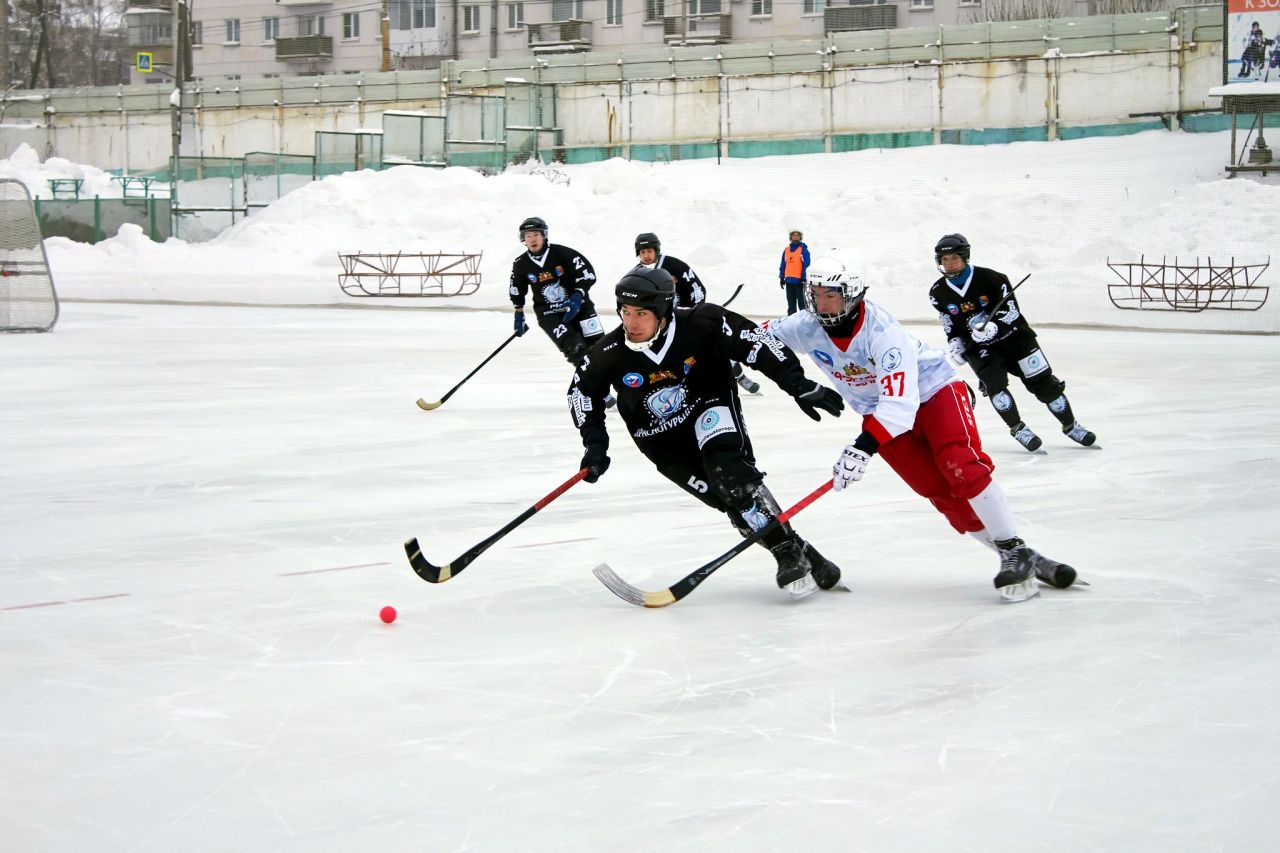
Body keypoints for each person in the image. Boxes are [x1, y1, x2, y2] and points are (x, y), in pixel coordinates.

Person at [763, 251, 1079, 602]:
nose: (822, 304)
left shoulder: (882, 332)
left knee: (959, 464)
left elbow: (898, 406)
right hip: (877, 411)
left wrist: (861, 449)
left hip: (933, 391)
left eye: (831, 295)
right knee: (936, 489)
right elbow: (757, 339)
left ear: (852, 294)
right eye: (816, 294)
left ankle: (1012, 548)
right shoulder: (806, 325)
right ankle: (1018, 554)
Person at [569, 265, 846, 598]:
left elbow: (757, 343)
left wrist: (795, 382)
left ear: (663, 312)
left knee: (730, 476)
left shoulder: (703, 323)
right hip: (660, 441)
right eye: (625, 312)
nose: (631, 323)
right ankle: (803, 550)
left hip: (709, 408)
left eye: (641, 313)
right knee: (730, 502)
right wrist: (595, 444)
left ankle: (784, 551)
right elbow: (581, 393)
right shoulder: (608, 352)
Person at [928, 233, 1096, 453]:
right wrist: (955, 342)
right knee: (995, 387)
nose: (949, 263)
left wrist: (994, 327)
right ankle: (1018, 428)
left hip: (1016, 340)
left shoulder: (993, 279)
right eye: (945, 259)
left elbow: (1011, 310)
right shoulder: (937, 292)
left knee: (1044, 384)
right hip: (980, 348)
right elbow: (948, 322)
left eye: (954, 258)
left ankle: (1071, 425)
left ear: (965, 257)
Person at [634, 231, 760, 394]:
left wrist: (694, 311)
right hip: (662, 323)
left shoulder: (674, 265)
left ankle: (740, 376)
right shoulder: (637, 273)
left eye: (649, 251)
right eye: (643, 252)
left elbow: (697, 288)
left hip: (687, 316)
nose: (646, 255)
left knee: (713, 344)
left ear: (656, 250)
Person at [509, 216, 606, 369]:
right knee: (575, 350)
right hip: (549, 314)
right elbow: (516, 288)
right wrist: (518, 313)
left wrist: (577, 297)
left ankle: (617, 381)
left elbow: (587, 274)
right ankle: (592, 383)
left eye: (536, 234)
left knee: (601, 348)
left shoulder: (562, 253)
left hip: (579, 306)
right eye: (528, 236)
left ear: (544, 235)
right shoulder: (521, 263)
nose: (532, 239)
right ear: (523, 239)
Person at [778, 229, 810, 316]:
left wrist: (803, 277)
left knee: (802, 304)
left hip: (799, 281)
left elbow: (806, 264)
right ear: (790, 237)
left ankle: (805, 320)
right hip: (788, 281)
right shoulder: (786, 250)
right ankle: (791, 320)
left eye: (797, 235)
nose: (795, 236)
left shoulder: (803, 249)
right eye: (793, 235)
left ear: (800, 237)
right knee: (791, 303)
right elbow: (783, 264)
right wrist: (781, 277)